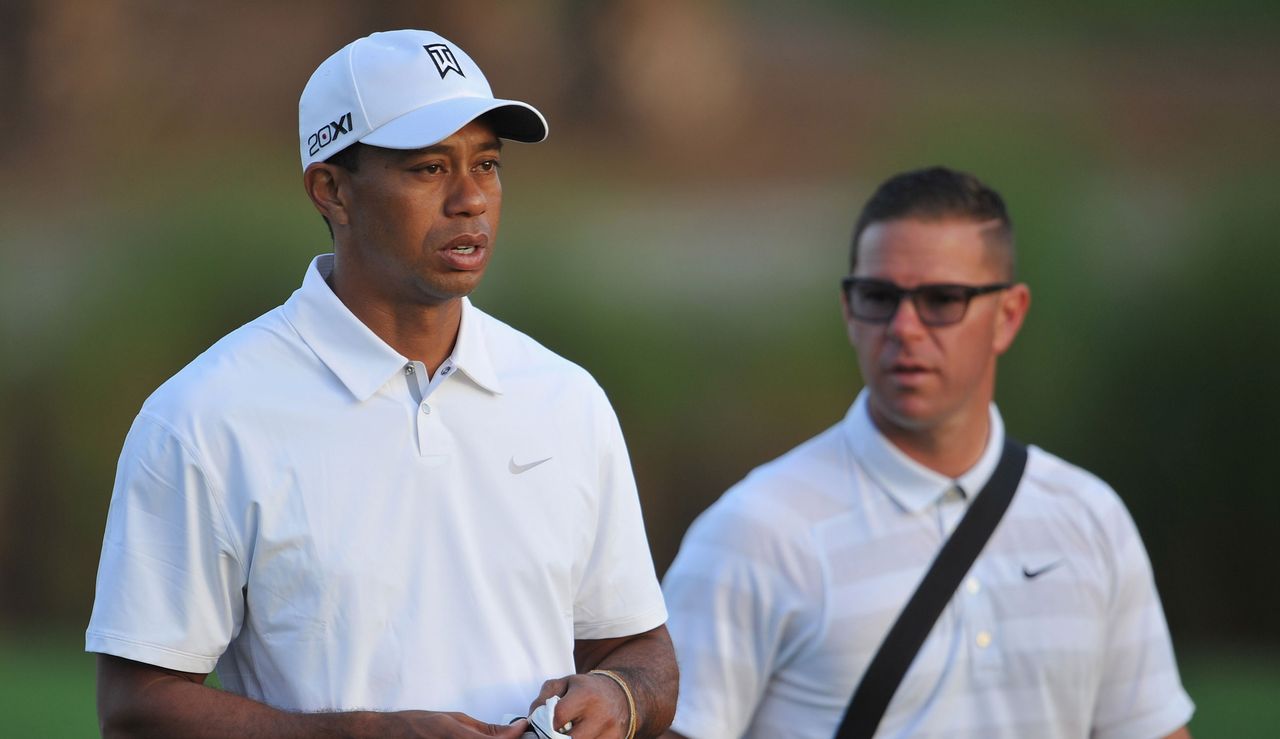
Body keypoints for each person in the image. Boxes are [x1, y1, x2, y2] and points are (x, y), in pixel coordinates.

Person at [86, 29, 676, 739]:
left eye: (486, 164)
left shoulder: (565, 398)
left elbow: (639, 649)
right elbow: (136, 704)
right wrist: (361, 734)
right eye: (430, 168)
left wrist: (620, 694)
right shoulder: (204, 416)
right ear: (331, 190)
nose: (471, 200)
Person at [660, 167, 1193, 738]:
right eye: (878, 297)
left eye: (942, 299)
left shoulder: (1091, 518)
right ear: (848, 309)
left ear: (1008, 316)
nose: (904, 327)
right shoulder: (755, 531)